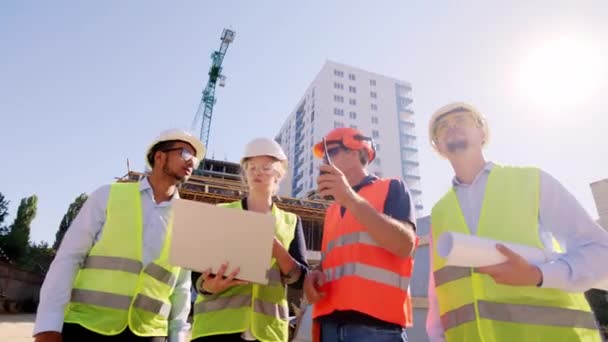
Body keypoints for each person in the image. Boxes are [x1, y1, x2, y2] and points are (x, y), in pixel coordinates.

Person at [426, 102, 608, 341]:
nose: (451, 126)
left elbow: (599, 251)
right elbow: (438, 297)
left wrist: (538, 275)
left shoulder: (532, 181)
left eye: (461, 119)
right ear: (438, 146)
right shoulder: (439, 212)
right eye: (441, 127)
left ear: (482, 132)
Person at [33, 129, 205, 342]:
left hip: (150, 333)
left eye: (195, 159)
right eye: (186, 154)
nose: (192, 162)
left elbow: (181, 287)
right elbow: (68, 259)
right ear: (159, 157)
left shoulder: (187, 220)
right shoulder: (107, 196)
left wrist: (177, 337)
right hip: (88, 327)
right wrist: (48, 325)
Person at [190, 137, 309, 342]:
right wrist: (209, 286)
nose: (257, 172)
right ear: (245, 172)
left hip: (268, 330)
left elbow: (302, 280)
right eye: (252, 167)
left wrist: (275, 248)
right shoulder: (221, 213)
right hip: (217, 328)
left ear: (279, 174)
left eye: (266, 167)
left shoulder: (290, 222)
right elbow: (197, 276)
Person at [303, 127, 417, 342]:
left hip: (375, 328)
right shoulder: (332, 211)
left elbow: (404, 245)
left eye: (332, 152)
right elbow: (334, 260)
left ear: (355, 151)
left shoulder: (392, 187)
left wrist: (351, 199)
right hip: (329, 326)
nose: (325, 161)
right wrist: (315, 274)